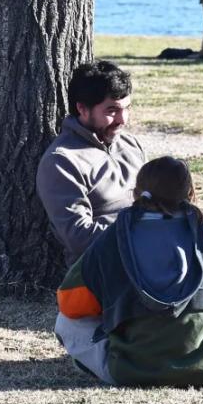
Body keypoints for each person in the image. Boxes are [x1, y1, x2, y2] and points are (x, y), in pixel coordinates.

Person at [54, 156, 203, 386]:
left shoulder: (115, 236)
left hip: (133, 370)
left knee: (65, 321)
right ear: (191, 194)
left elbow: (70, 303)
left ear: (136, 193)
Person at [37, 61, 145, 268]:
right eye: (112, 110)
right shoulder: (62, 161)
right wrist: (143, 223)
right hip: (102, 271)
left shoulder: (130, 144)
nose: (122, 119)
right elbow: (80, 238)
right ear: (82, 109)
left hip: (148, 256)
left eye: (126, 108)